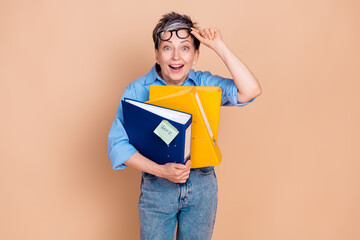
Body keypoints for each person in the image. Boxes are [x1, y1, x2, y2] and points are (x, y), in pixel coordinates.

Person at [108, 12, 261, 240]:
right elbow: (117, 145)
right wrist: (162, 171)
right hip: (157, 187)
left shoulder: (204, 83)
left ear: (196, 55)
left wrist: (219, 46)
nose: (176, 56)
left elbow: (250, 90)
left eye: (185, 48)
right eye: (167, 48)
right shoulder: (138, 90)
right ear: (157, 55)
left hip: (202, 186)